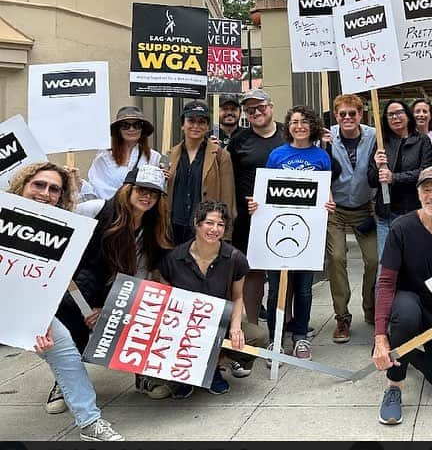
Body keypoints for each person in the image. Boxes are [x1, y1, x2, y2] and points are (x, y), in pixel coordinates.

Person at [7, 162, 124, 441]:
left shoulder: (61, 230)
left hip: (28, 308)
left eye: (54, 189)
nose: (45, 193)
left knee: (66, 354)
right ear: (22, 185)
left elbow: (48, 282)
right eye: (38, 185)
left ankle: (90, 422)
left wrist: (39, 321)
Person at [61, 165, 175, 398]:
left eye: (153, 193)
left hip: (120, 289)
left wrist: (111, 309)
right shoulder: (96, 209)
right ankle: (65, 383)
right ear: (128, 188)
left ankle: (142, 372)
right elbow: (62, 224)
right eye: (142, 189)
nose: (147, 196)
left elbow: (141, 275)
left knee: (146, 311)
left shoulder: (153, 228)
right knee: (69, 335)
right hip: (81, 286)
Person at [373, 166, 432, 425]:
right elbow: (385, 283)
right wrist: (381, 338)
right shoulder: (400, 228)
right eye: (427, 190)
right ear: (418, 194)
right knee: (406, 314)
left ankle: (404, 350)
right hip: (407, 303)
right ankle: (394, 386)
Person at [159, 201, 268, 397]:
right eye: (209, 223)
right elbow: (165, 298)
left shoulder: (235, 258)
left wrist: (235, 327)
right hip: (183, 327)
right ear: (197, 223)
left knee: (256, 337)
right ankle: (185, 373)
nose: (214, 229)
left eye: (220, 225)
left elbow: (238, 296)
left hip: (220, 325)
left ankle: (216, 365)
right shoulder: (173, 259)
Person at [259, 105, 334, 361]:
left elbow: (326, 191)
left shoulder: (321, 157)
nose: (299, 126)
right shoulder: (277, 155)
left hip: (308, 233)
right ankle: (275, 338)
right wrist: (255, 204)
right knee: (276, 287)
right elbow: (266, 190)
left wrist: (329, 203)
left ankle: (300, 335)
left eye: (303, 121)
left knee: (303, 288)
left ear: (312, 126)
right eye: (293, 121)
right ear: (287, 126)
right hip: (278, 231)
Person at [227, 89, 285, 324]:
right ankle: (252, 326)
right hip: (249, 217)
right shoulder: (239, 140)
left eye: (261, 107)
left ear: (271, 107)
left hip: (284, 213)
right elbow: (229, 175)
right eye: (251, 110)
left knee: (284, 272)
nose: (257, 112)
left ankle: (285, 322)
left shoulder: (288, 132)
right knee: (252, 271)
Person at [325, 93, 379, 343]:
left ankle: (370, 306)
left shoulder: (373, 135)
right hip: (335, 207)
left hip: (364, 206)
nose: (347, 118)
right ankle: (342, 317)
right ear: (336, 116)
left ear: (361, 114)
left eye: (352, 113)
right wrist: (322, 147)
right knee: (336, 259)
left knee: (373, 260)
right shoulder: (327, 137)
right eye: (342, 114)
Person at [369, 100, 432, 262]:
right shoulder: (381, 143)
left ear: (407, 115)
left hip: (414, 213)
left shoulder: (422, 141)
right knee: (385, 266)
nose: (395, 117)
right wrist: (377, 167)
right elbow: (371, 180)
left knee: (415, 263)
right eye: (390, 115)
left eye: (399, 112)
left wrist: (395, 178)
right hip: (387, 214)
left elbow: (426, 173)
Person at [166, 100, 235, 245]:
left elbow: (227, 198)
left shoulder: (220, 156)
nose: (196, 126)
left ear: (207, 127)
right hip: (174, 228)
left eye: (201, 122)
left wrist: (225, 235)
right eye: (191, 121)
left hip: (206, 230)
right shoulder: (170, 155)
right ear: (182, 125)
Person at [83, 106, 160, 201]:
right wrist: (76, 181)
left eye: (137, 125)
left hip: (142, 212)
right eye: (125, 125)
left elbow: (156, 190)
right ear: (118, 130)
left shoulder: (154, 157)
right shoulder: (104, 158)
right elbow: (94, 189)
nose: (131, 129)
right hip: (111, 212)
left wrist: (165, 176)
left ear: (142, 129)